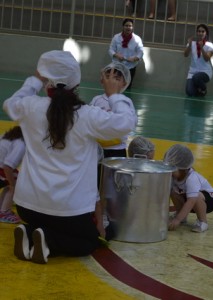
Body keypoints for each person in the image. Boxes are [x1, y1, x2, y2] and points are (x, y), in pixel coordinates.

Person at [3, 50, 137, 264]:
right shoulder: (86, 115)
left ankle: (30, 231)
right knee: (88, 241)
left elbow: (10, 103)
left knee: (49, 222)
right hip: (68, 210)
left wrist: (35, 80)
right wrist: (114, 95)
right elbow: (125, 123)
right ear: (76, 83)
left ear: (46, 80)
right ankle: (46, 240)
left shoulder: (29, 107)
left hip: (27, 206)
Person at [90, 62, 137, 186]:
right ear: (102, 80)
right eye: (109, 78)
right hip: (98, 149)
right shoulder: (96, 100)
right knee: (96, 180)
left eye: (117, 79)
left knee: (114, 183)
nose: (112, 82)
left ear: (124, 83)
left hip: (117, 150)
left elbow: (130, 123)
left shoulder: (126, 102)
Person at [163, 144, 213, 233]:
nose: (170, 171)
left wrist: (177, 220)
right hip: (190, 198)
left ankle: (203, 222)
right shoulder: (174, 176)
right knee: (173, 192)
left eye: (172, 168)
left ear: (183, 168)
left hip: (209, 200)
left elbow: (191, 201)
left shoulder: (192, 178)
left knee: (196, 196)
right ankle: (183, 216)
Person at [108, 18, 144, 90]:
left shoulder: (137, 39)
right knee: (115, 86)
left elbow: (140, 52)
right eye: (126, 25)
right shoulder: (116, 37)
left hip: (131, 66)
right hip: (117, 66)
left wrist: (135, 58)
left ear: (132, 27)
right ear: (123, 26)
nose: (128, 27)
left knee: (127, 87)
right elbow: (111, 49)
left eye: (130, 26)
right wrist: (116, 55)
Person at [0, 126, 25, 224]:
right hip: (3, 169)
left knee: (12, 181)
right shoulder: (20, 144)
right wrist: (12, 185)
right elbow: (7, 167)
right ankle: (4, 212)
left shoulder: (6, 137)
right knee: (17, 183)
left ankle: (2, 209)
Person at [184, 24, 213, 97]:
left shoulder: (210, 45)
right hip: (192, 71)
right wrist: (189, 45)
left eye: (203, 31)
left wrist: (201, 48)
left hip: (205, 71)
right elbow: (185, 55)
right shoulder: (192, 43)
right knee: (189, 92)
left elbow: (207, 58)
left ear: (206, 33)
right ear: (197, 32)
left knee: (196, 78)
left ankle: (203, 89)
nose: (200, 33)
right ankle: (198, 89)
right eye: (199, 31)